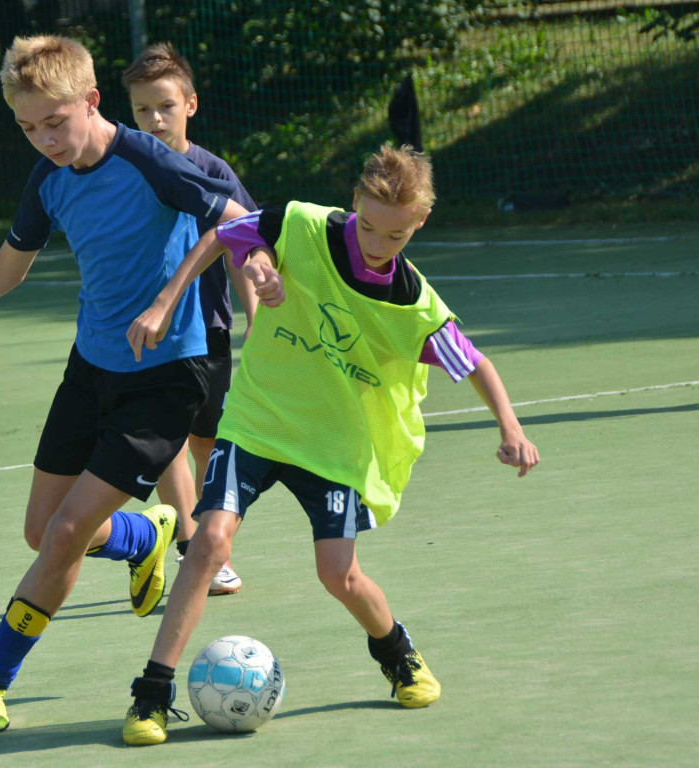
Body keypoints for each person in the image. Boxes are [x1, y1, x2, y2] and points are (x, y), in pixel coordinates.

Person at [0, 35, 272, 738]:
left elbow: (242, 223)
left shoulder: (149, 161)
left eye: (55, 120)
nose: (44, 138)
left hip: (168, 377)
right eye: (27, 126)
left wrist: (256, 272)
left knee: (68, 533)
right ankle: (143, 537)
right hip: (90, 372)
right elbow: (3, 269)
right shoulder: (47, 181)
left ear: (91, 101)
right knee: (39, 533)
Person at [120, 144, 540, 745]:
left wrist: (511, 427)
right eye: (368, 224)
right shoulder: (302, 225)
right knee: (209, 540)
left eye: (395, 235)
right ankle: (152, 694)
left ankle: (398, 653)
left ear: (418, 224)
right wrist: (178, 297)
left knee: (337, 575)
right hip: (259, 419)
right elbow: (229, 232)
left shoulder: (411, 304)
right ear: (353, 204)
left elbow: (473, 362)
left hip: (333, 444)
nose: (376, 242)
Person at [123, 42, 258, 597]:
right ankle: (190, 547)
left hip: (212, 332)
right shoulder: (124, 171)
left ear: (191, 105)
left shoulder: (211, 170)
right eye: (141, 111)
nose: (154, 119)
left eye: (165, 107)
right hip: (148, 335)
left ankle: (189, 537)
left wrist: (261, 321)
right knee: (170, 441)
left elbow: (245, 242)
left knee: (207, 443)